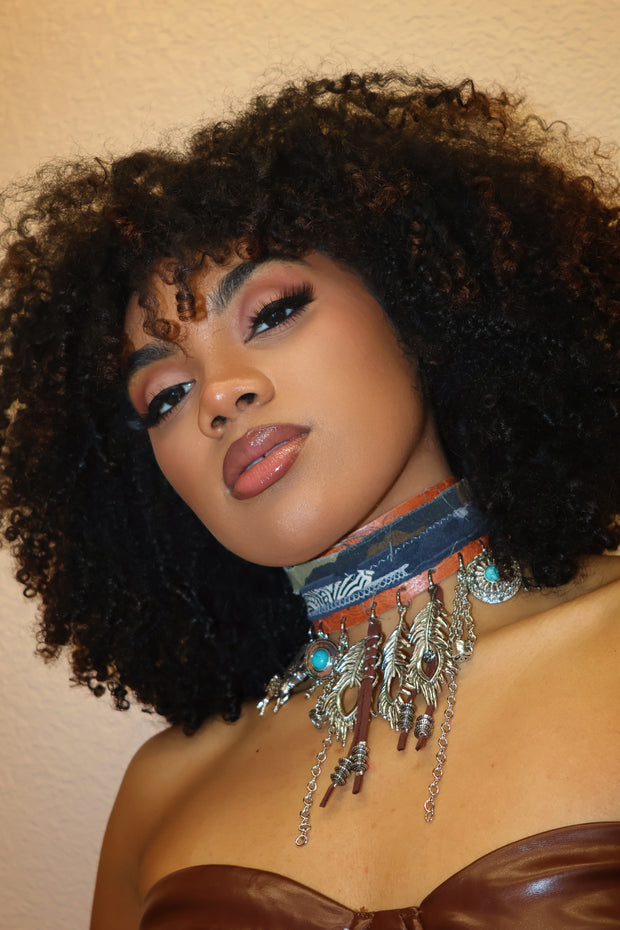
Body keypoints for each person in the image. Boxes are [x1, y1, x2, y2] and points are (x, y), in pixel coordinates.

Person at [1, 72, 619, 929]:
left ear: (420, 302)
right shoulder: (160, 792)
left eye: (271, 313)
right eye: (167, 395)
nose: (219, 394)